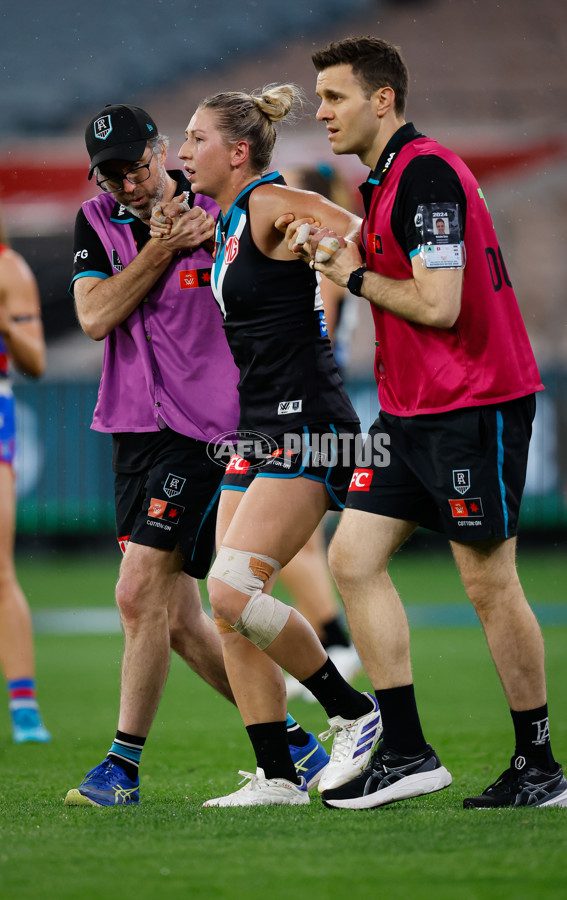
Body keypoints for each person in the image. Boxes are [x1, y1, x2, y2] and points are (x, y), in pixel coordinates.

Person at [279, 35, 567, 810]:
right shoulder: (386, 181)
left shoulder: (427, 174)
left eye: (335, 97)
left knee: (488, 581)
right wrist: (344, 251)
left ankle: (539, 767)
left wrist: (354, 274)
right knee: (353, 556)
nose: (324, 113)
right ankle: (407, 751)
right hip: (414, 410)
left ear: (383, 99)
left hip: (472, 404)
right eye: (321, 99)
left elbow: (439, 305)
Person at [64, 104, 328, 807]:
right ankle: (294, 745)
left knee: (136, 589)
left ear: (160, 151)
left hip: (209, 431)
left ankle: (121, 768)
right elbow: (93, 317)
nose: (125, 182)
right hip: (131, 429)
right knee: (177, 621)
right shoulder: (97, 221)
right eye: (110, 173)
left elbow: (272, 265)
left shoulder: (216, 206)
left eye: (136, 164)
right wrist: (160, 250)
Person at [154, 83, 382, 807]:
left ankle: (354, 712)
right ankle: (281, 777)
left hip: (309, 427)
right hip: (260, 429)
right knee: (228, 609)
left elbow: (361, 232)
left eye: (195, 140)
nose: (184, 152)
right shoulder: (226, 220)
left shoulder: (268, 205)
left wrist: (333, 249)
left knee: (230, 589)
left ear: (238, 151)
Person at [277, 164, 362, 701]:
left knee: (291, 542)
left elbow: (319, 329)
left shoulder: (324, 251)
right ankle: (332, 643)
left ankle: (336, 643)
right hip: (322, 399)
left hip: (308, 404)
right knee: (300, 539)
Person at [0, 213, 50, 744]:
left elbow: (34, 361)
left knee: (0, 569)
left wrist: (4, 323)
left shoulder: (8, 268)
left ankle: (24, 707)